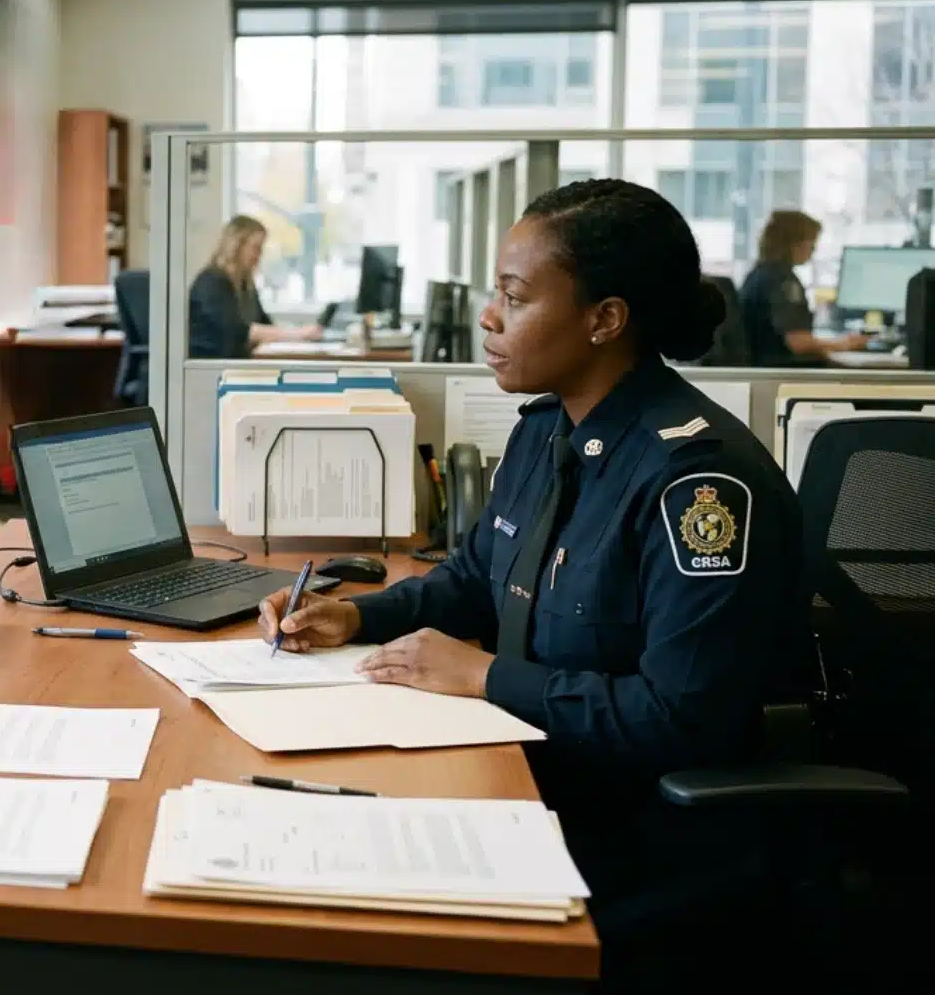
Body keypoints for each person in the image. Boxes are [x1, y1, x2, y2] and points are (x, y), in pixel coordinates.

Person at [257, 180, 809, 951]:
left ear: (604, 319)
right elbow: (476, 578)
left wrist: (484, 676)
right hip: (530, 777)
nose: (489, 316)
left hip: (633, 824)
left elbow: (683, 719)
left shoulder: (698, 485)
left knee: (355, 919)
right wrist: (355, 616)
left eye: (514, 297)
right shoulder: (546, 432)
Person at [739, 210, 867, 366]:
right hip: (782, 371)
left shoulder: (759, 274)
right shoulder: (782, 281)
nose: (813, 250)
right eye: (812, 243)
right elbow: (798, 342)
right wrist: (842, 344)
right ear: (794, 244)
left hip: (765, 368)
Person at [187, 215, 323, 359]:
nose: (259, 255)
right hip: (209, 369)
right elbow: (241, 332)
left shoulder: (246, 285)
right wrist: (298, 334)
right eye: (256, 248)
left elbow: (264, 323)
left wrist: (296, 336)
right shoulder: (212, 283)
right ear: (236, 245)